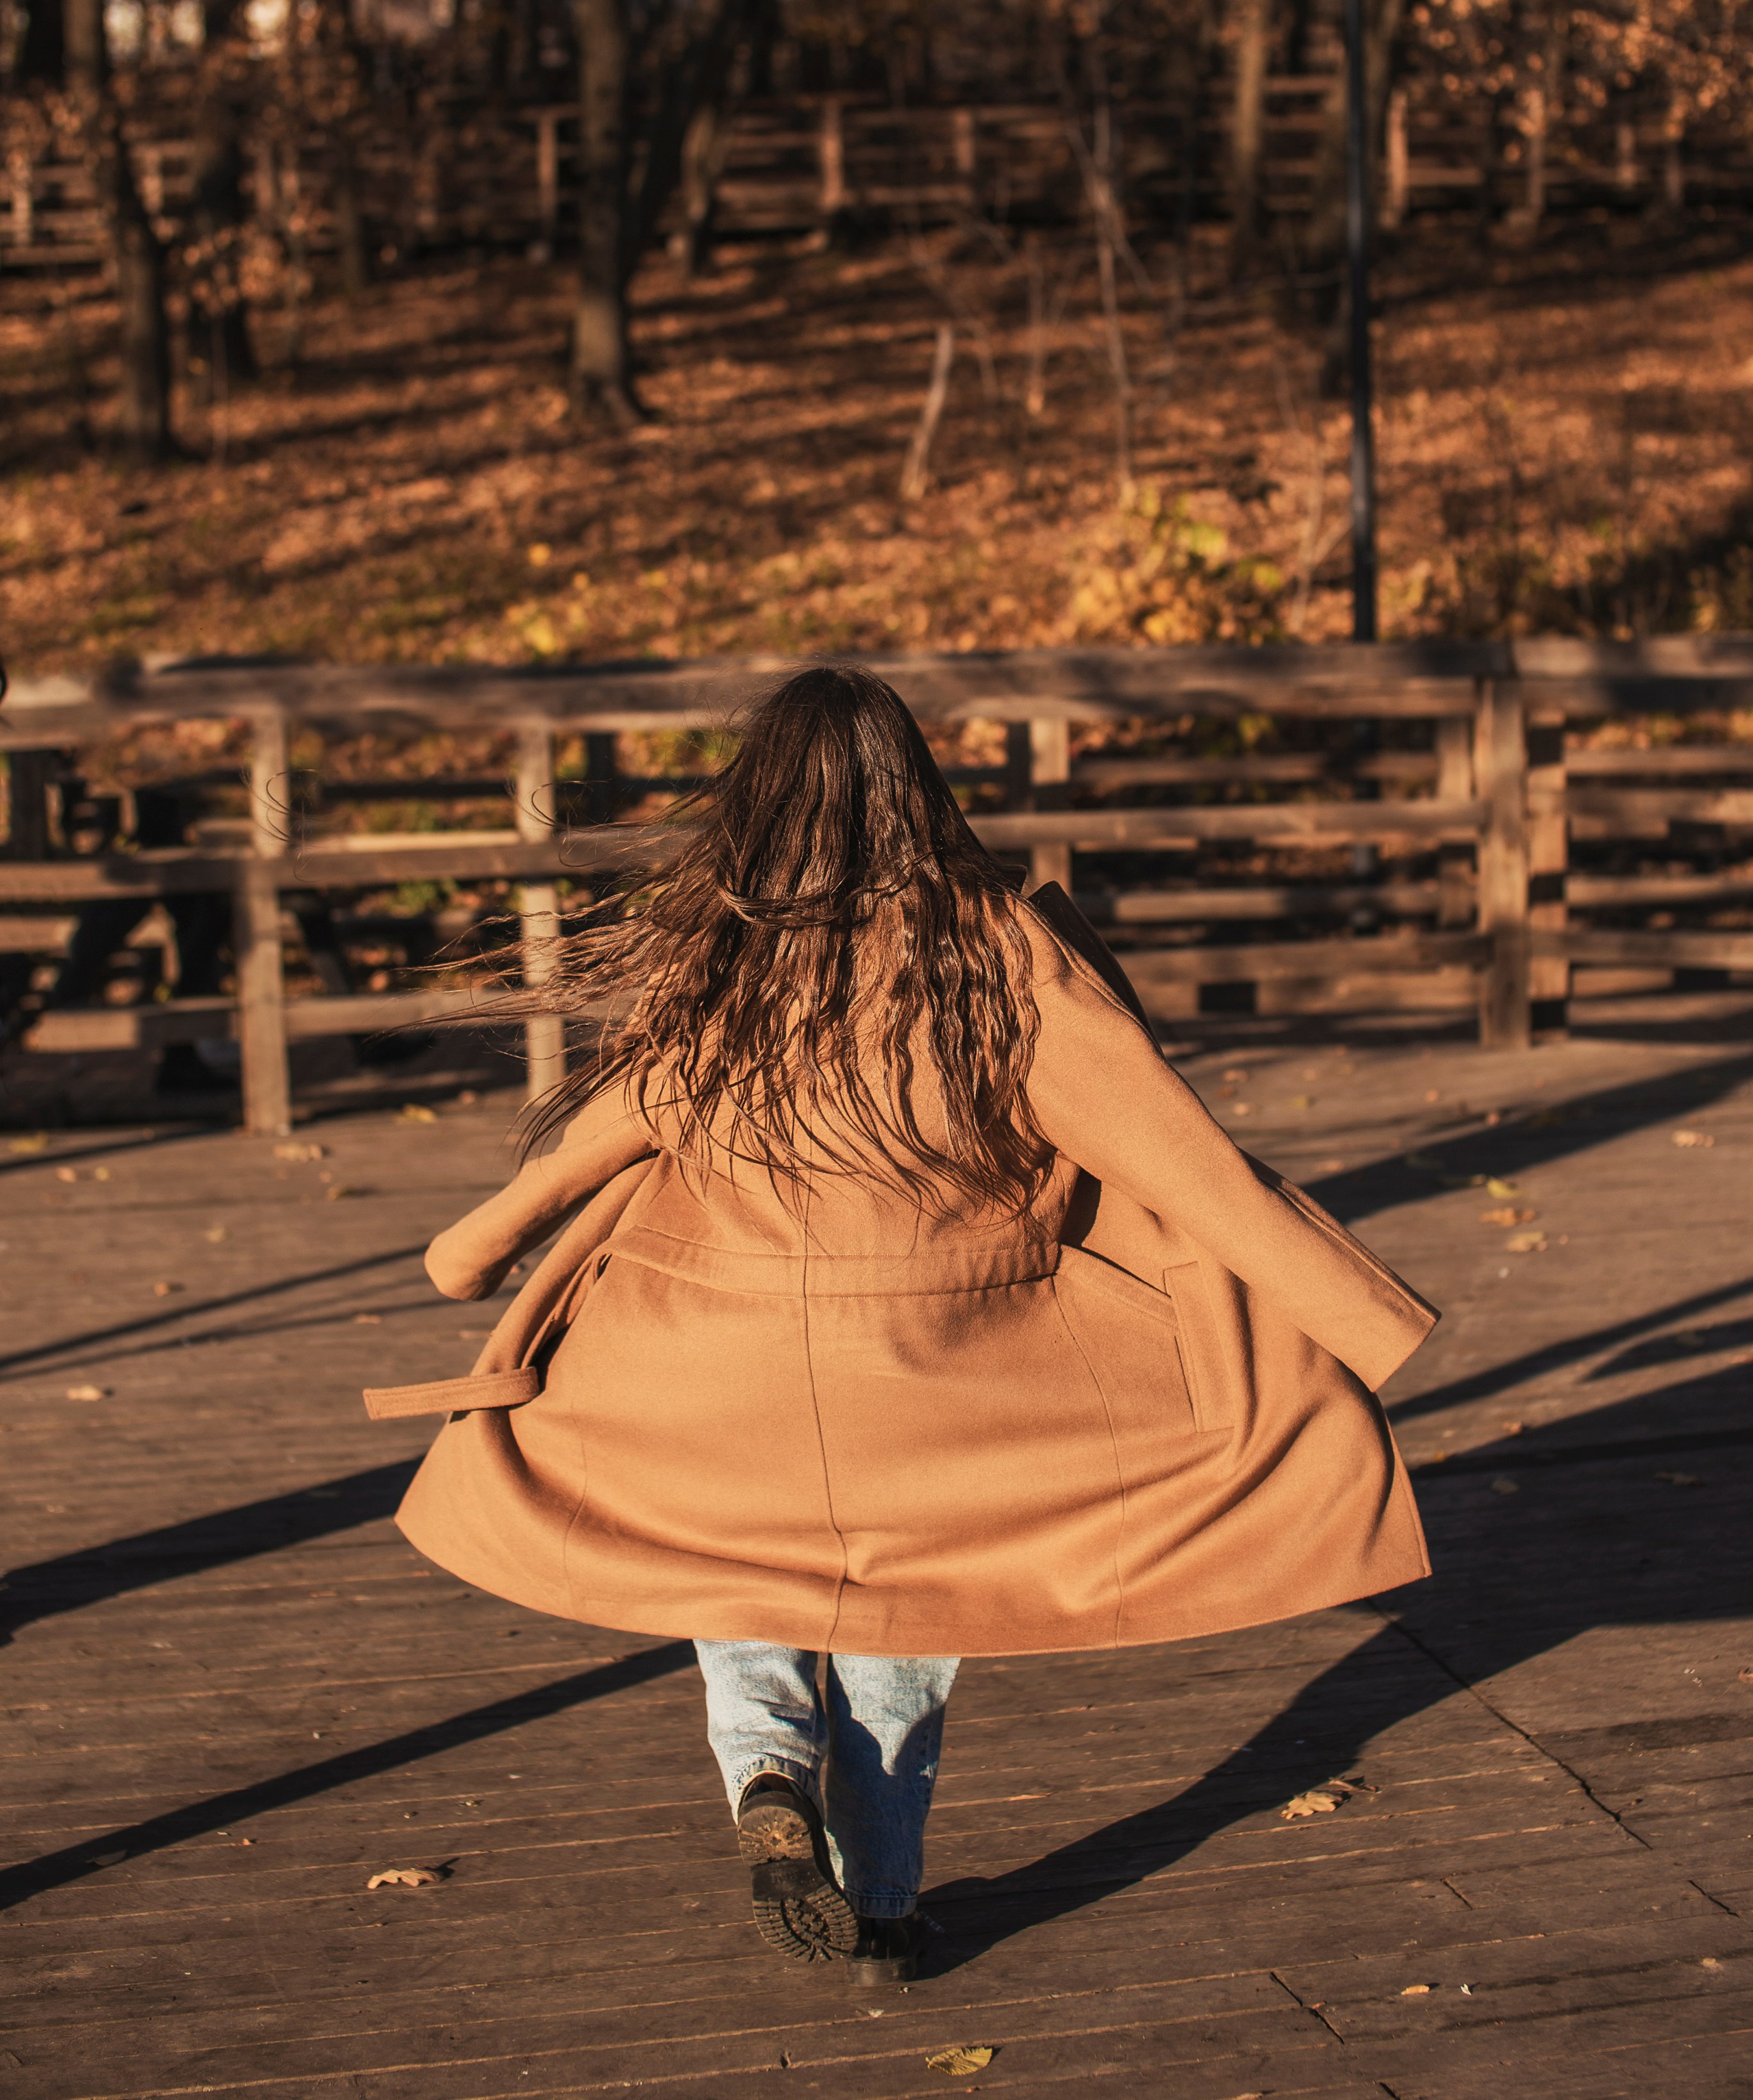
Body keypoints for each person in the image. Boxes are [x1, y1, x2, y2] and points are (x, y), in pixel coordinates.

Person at [366, 667, 1437, 1984]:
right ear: (915, 788)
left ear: (756, 799)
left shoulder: (721, 958)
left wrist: (473, 1247)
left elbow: (610, 1127)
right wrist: (1352, 1316)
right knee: (909, 1615)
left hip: (720, 1359)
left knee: (725, 1559)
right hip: (938, 1374)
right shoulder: (1000, 955)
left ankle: (769, 1775)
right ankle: (880, 1912)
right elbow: (1184, 1158)